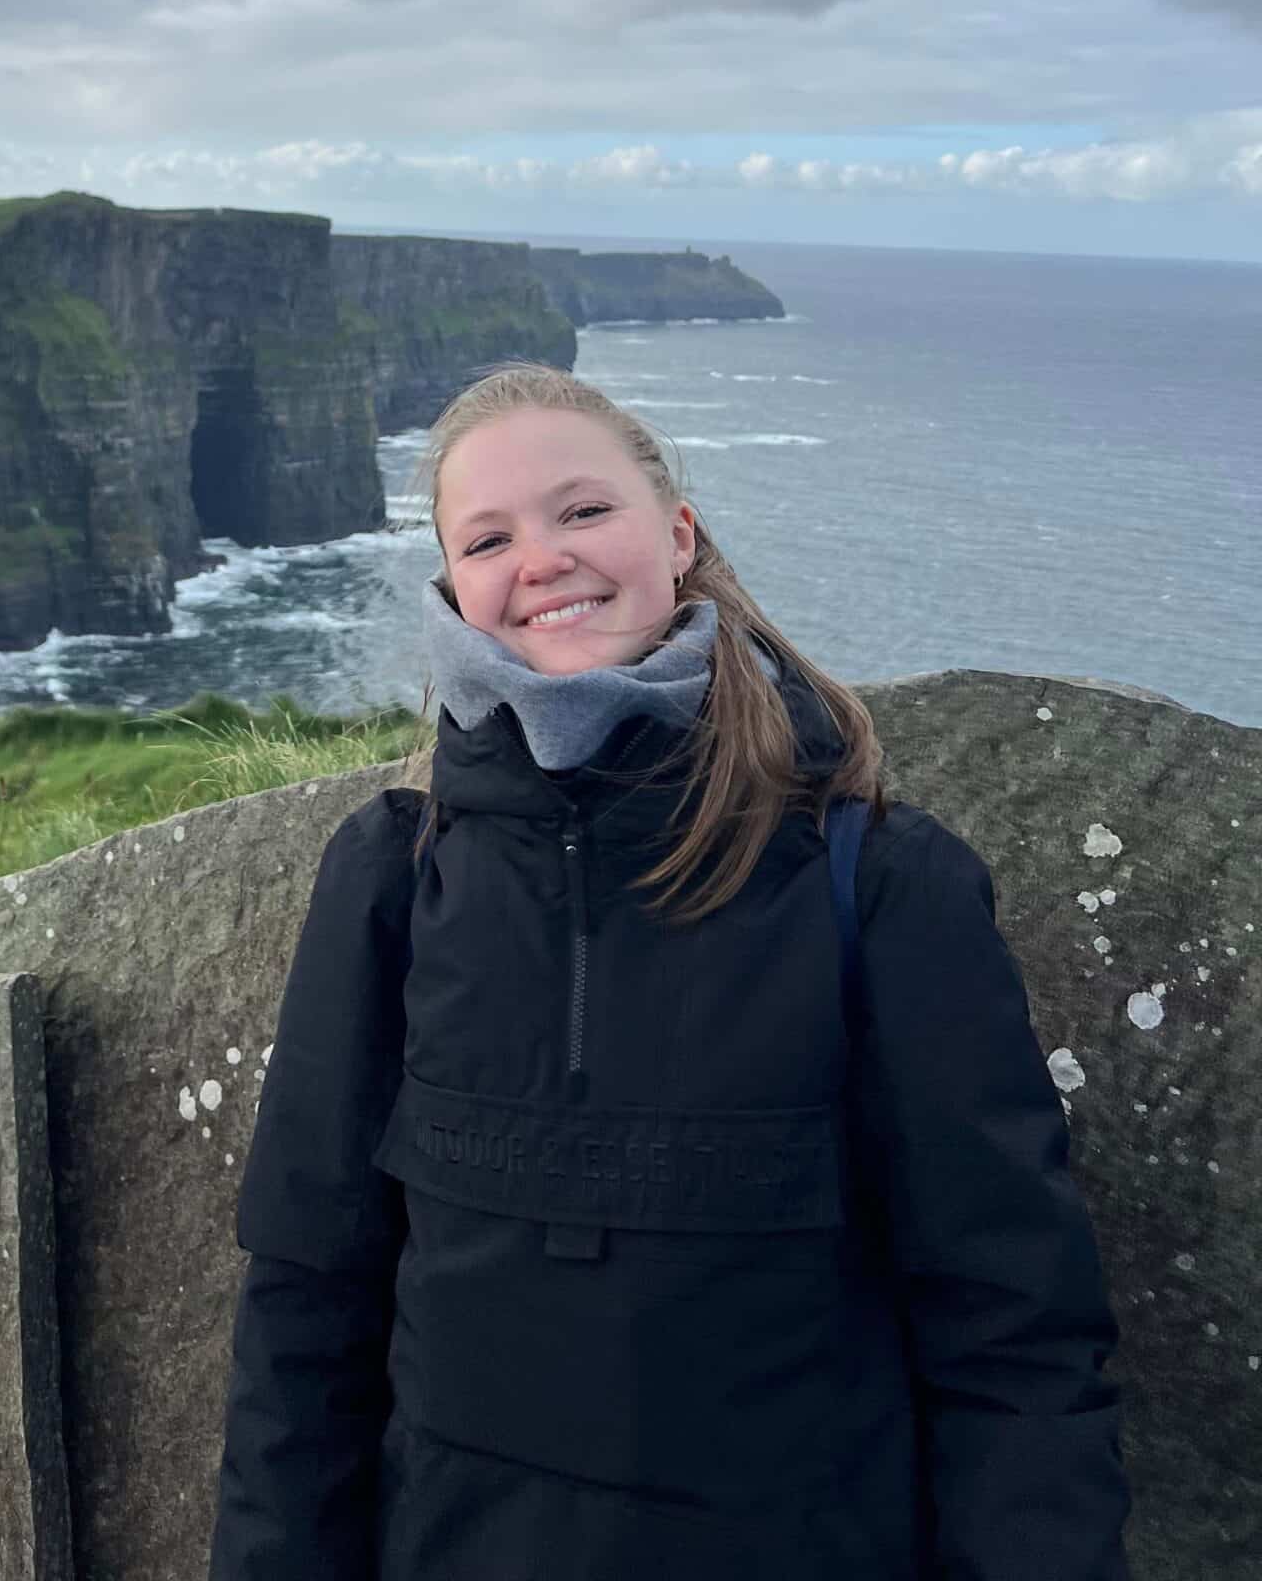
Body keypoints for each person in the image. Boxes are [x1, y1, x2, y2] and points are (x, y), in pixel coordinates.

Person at [208, 362, 1132, 1580]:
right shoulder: (396, 878)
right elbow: (305, 1305)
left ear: (678, 535)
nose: (541, 558)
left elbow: (1014, 1330)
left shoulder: (881, 882)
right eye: (489, 537)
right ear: (452, 588)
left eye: (583, 511)